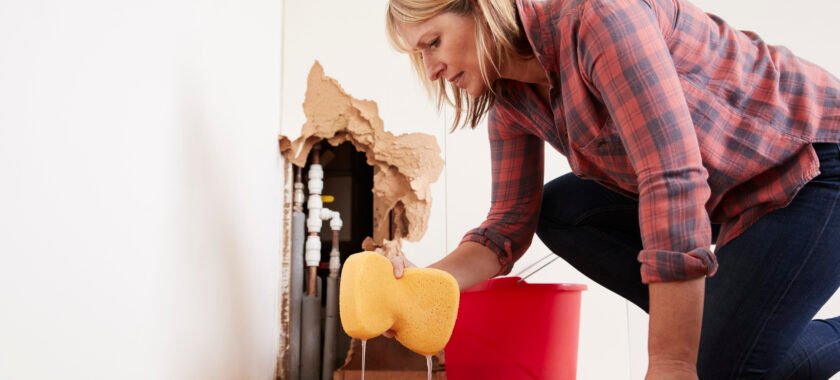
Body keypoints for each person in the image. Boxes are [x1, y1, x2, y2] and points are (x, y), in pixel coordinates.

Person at [383, 0, 840, 378]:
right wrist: (421, 286)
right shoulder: (511, 99)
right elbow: (506, 228)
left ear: (482, 9)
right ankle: (712, 328)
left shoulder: (599, 18)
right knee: (560, 209)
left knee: (713, 370)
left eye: (433, 43)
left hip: (814, 165)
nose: (432, 69)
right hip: (731, 193)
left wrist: (671, 361)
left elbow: (672, 179)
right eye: (418, 55)